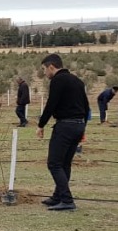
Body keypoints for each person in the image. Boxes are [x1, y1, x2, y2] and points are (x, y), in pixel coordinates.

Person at [36, 54, 90, 211]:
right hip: (78, 125)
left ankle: (67, 200)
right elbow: (86, 107)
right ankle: (58, 196)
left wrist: (41, 125)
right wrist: (83, 127)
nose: (45, 73)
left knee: (54, 163)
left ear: (51, 67)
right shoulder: (77, 81)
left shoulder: (58, 80)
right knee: (65, 163)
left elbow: (51, 103)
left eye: (44, 69)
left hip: (65, 126)